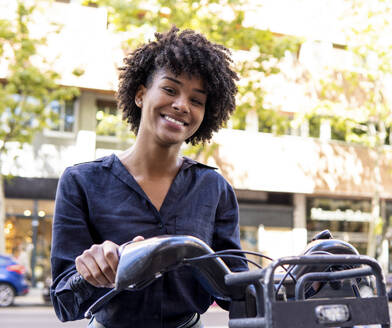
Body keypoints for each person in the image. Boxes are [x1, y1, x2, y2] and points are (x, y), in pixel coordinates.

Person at [50, 26, 247, 328]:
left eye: (197, 100)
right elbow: (64, 302)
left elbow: (237, 292)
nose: (182, 105)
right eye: (170, 90)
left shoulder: (214, 188)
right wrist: (91, 271)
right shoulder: (81, 182)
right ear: (141, 94)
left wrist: (302, 282)